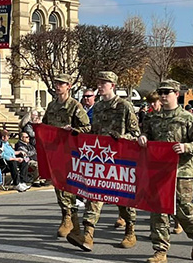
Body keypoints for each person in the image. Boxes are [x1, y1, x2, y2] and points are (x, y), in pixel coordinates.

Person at [137, 80, 193, 263]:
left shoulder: (187, 118)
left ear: (176, 93)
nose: (162, 95)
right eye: (160, 92)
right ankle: (160, 250)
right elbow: (146, 135)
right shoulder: (153, 118)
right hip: (159, 170)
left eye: (166, 92)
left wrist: (186, 146)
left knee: (183, 209)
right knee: (158, 210)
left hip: (182, 170)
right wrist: (143, 138)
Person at [68, 71, 141, 252]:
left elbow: (136, 134)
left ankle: (130, 230)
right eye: (99, 83)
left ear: (112, 85)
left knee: (122, 198)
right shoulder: (98, 107)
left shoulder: (124, 106)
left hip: (120, 161)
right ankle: (88, 235)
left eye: (104, 83)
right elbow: (94, 133)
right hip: (100, 160)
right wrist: (79, 133)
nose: (100, 86)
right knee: (94, 195)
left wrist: (120, 137)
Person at [42, 73, 91, 238]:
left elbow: (87, 128)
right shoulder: (51, 106)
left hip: (70, 153)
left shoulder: (75, 106)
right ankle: (66, 215)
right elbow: (45, 126)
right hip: (55, 152)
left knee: (68, 186)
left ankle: (70, 218)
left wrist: (73, 130)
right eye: (56, 83)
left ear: (68, 86)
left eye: (61, 84)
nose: (58, 86)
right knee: (58, 186)